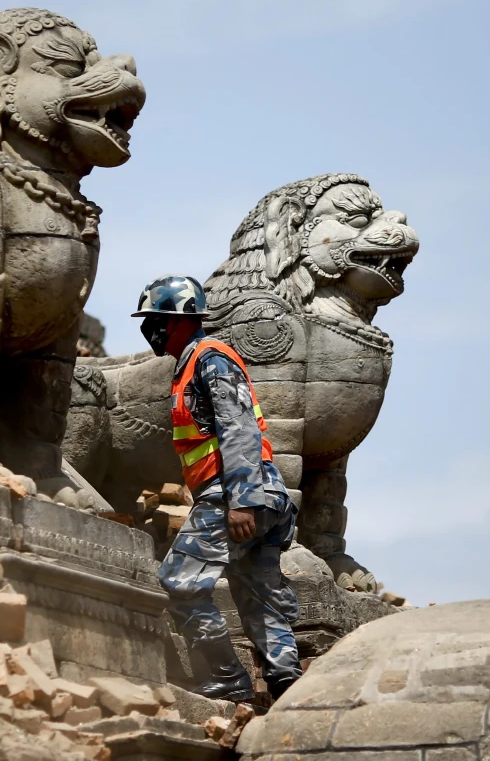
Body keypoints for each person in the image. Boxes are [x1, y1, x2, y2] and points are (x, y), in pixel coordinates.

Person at [133, 274, 301, 702]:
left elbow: (238, 427)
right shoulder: (192, 362)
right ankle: (287, 686)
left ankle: (227, 679)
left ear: (184, 319)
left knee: (179, 581)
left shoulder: (211, 357)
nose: (151, 329)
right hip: (256, 494)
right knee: (259, 594)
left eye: (158, 319)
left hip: (239, 492)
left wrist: (242, 501)